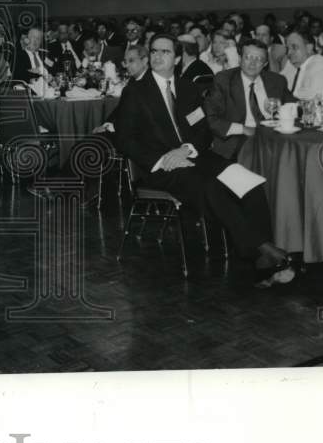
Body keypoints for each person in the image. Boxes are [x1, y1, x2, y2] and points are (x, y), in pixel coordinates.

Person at [111, 35, 295, 284]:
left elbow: (202, 129)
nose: (157, 56)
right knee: (212, 187)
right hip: (161, 166)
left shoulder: (187, 87)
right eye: (154, 51)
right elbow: (125, 139)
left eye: (165, 52)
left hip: (193, 156)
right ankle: (265, 249)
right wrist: (165, 158)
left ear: (176, 58)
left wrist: (186, 149)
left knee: (247, 181)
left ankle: (261, 257)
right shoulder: (135, 91)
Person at [205, 40, 295, 159]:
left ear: (265, 64)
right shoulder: (224, 80)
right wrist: (244, 129)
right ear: (240, 59)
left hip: (274, 136)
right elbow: (211, 119)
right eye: (248, 57)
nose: (253, 63)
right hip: (238, 140)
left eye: (259, 59)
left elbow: (292, 106)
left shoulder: (277, 81)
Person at [280, 31, 323, 101]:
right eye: (288, 49)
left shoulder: (321, 67)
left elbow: (316, 102)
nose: (289, 53)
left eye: (294, 47)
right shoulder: (293, 64)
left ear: (309, 48)